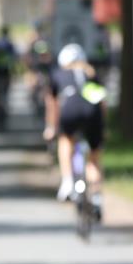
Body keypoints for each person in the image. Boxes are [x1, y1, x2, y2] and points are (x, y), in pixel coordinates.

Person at [43, 43, 107, 211]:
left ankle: (67, 181)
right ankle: (97, 197)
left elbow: (53, 104)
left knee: (65, 141)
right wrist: (102, 126)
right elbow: (102, 102)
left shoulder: (58, 74)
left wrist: (51, 127)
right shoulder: (91, 73)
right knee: (94, 158)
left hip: (70, 108)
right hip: (92, 112)